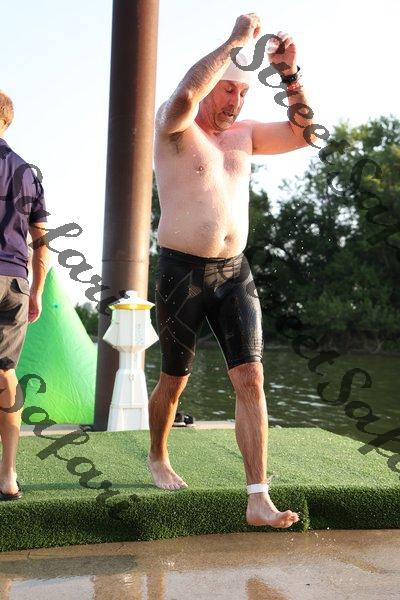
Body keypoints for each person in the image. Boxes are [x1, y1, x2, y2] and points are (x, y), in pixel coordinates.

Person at [149, 13, 314, 528]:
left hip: (233, 272)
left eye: (242, 93)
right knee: (175, 379)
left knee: (251, 376)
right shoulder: (174, 128)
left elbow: (305, 134)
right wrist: (236, 41)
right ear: (209, 87)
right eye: (226, 90)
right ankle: (158, 455)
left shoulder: (245, 135)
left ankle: (258, 498)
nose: (235, 102)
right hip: (180, 272)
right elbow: (183, 98)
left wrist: (289, 75)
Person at [0, 90, 50, 501]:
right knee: (5, 374)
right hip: (16, 282)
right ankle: (9, 476)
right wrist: (37, 291)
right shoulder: (28, 173)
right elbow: (42, 240)